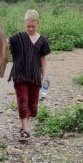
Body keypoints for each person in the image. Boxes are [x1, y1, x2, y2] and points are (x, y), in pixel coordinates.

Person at [8, 10, 51, 140]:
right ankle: (25, 130)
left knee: (32, 104)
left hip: (34, 77)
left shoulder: (42, 40)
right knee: (23, 101)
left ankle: (24, 124)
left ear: (38, 24)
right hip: (20, 75)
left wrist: (43, 78)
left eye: (33, 26)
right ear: (25, 24)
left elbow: (43, 60)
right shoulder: (17, 38)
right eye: (28, 26)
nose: (30, 29)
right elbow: (5, 44)